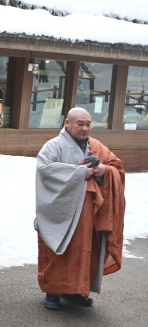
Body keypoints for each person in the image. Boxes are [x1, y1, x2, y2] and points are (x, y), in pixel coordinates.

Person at [35, 107, 126, 310]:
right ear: (67, 123)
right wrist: (79, 172)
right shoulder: (53, 146)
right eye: (80, 124)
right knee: (60, 249)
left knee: (85, 250)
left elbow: (116, 167)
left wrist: (103, 170)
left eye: (88, 124)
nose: (85, 128)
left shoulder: (96, 146)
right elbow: (45, 170)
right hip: (62, 211)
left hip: (90, 213)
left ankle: (77, 289)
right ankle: (53, 291)